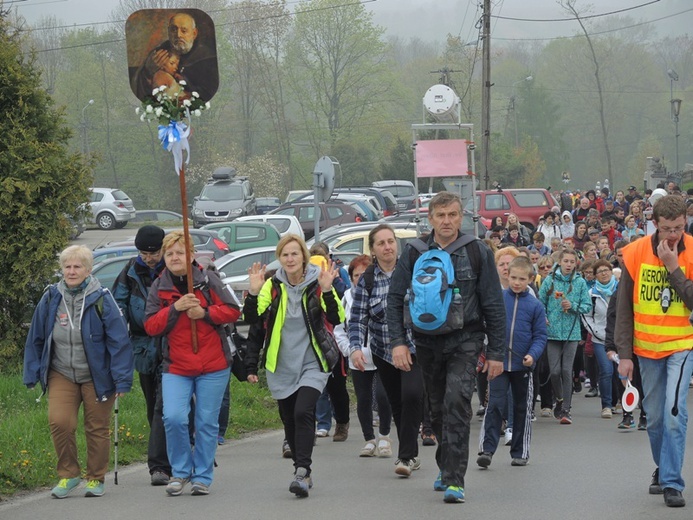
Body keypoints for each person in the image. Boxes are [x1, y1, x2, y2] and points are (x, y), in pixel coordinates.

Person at [387, 192, 506, 504]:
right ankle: (446, 463)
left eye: (452, 215)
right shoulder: (413, 253)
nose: (447, 222)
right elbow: (395, 298)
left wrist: (496, 353)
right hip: (426, 342)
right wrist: (398, 342)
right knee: (437, 409)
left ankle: (455, 480)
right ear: (430, 218)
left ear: (461, 216)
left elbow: (493, 304)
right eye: (441, 216)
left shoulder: (477, 252)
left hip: (466, 340)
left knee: (457, 402)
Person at [24, 245, 133, 499]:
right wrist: (31, 372)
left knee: (96, 427)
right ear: (62, 269)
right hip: (61, 371)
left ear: (88, 269)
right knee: (60, 421)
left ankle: (95, 478)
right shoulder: (51, 297)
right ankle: (69, 475)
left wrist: (122, 380)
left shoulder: (102, 298)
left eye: (77, 266)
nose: (71, 272)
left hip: (97, 375)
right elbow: (36, 337)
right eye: (67, 266)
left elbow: (119, 342)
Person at [243, 234, 344, 498]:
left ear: (303, 257)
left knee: (303, 412)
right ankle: (302, 470)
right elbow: (252, 318)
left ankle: (302, 470)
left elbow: (336, 317)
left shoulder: (318, 281)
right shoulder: (272, 285)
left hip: (313, 360)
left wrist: (328, 290)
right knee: (289, 418)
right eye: (285, 254)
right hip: (281, 364)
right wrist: (253, 292)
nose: (290, 259)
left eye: (294, 254)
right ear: (280, 258)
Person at [144, 231, 241, 497]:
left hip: (213, 365)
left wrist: (205, 313)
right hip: (176, 365)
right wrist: (175, 309)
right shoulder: (159, 286)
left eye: (180, 252)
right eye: (170, 253)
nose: (175, 257)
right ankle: (180, 472)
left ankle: (202, 476)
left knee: (206, 422)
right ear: (164, 258)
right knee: (173, 417)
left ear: (191, 255)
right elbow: (151, 326)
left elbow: (234, 310)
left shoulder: (209, 279)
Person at [615, 195, 693, 508]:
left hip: (681, 345)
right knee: (657, 418)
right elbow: (623, 309)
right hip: (646, 348)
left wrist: (674, 268)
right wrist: (623, 354)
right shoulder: (634, 253)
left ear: (685, 222)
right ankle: (663, 468)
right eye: (666, 228)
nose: (673, 234)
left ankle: (672, 482)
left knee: (675, 411)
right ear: (655, 225)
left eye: (678, 227)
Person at [349, 224, 423, 477]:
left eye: (390, 241)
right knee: (397, 402)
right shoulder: (367, 280)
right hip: (383, 350)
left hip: (415, 347)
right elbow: (357, 318)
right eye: (381, 243)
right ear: (373, 249)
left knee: (413, 395)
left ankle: (407, 453)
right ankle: (408, 454)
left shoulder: (411, 271)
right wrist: (356, 348)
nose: (387, 247)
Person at [112, 225, 170, 486]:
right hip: (143, 347)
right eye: (144, 253)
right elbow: (117, 306)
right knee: (153, 406)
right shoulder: (129, 272)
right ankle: (165, 456)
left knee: (165, 405)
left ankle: (160, 465)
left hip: (170, 345)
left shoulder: (171, 269)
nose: (149, 258)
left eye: (154, 253)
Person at [477, 256, 547, 468]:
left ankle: (520, 451)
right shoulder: (498, 299)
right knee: (495, 405)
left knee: (521, 408)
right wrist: (487, 353)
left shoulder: (535, 306)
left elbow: (540, 336)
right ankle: (486, 450)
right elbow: (486, 326)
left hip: (523, 366)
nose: (516, 282)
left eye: (522, 278)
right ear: (507, 276)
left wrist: (532, 355)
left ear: (530, 279)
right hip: (498, 363)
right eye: (513, 277)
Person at [334, 254, 393, 457]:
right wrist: (350, 349)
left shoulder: (383, 291)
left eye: (363, 274)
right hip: (359, 357)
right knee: (364, 399)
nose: (360, 278)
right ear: (350, 277)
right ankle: (369, 439)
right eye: (356, 275)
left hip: (384, 354)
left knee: (384, 397)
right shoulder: (347, 298)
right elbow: (339, 328)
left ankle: (384, 436)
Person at [537, 248, 592, 424]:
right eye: (565, 261)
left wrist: (573, 305)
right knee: (555, 371)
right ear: (559, 262)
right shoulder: (549, 280)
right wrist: (543, 317)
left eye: (571, 261)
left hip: (571, 333)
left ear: (575, 263)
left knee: (567, 370)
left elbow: (587, 306)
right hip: (552, 332)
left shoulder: (580, 282)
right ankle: (559, 399)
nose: (568, 264)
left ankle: (566, 409)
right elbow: (540, 302)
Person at [133, 12, 218, 101]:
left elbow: (210, 94)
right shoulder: (159, 53)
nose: (178, 35)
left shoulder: (207, 58)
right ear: (168, 32)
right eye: (173, 30)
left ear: (194, 33)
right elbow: (139, 90)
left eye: (184, 31)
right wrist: (147, 72)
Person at [580, 260, 616, 419]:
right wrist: (595, 331)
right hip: (600, 338)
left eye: (606, 270)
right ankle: (606, 405)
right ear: (595, 275)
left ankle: (618, 402)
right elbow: (586, 315)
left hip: (620, 338)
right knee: (606, 371)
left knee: (618, 372)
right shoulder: (592, 294)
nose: (604, 273)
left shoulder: (620, 290)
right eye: (600, 271)